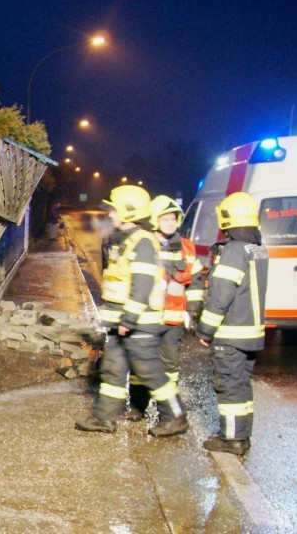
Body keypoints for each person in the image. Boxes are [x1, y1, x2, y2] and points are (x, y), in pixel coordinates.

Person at [76, 185, 187, 437]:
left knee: (149, 371)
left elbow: (143, 284)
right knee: (113, 369)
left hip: (138, 323)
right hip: (121, 323)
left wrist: (129, 319)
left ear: (128, 211)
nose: (111, 214)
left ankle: (176, 416)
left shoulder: (143, 242)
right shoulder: (124, 239)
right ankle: (105, 418)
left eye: (114, 209)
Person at [196, 192, 268, 454]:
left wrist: (205, 329)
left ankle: (232, 440)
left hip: (231, 333)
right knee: (241, 385)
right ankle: (242, 436)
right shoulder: (257, 249)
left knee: (229, 386)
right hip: (251, 333)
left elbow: (221, 295)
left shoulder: (234, 251)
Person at [127, 195, 204, 420]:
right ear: (154, 220)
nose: (171, 223)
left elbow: (196, 279)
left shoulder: (186, 248)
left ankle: (167, 414)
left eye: (174, 219)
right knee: (141, 365)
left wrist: (193, 310)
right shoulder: (143, 243)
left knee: (170, 369)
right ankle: (137, 407)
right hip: (146, 318)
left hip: (173, 320)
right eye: (166, 219)